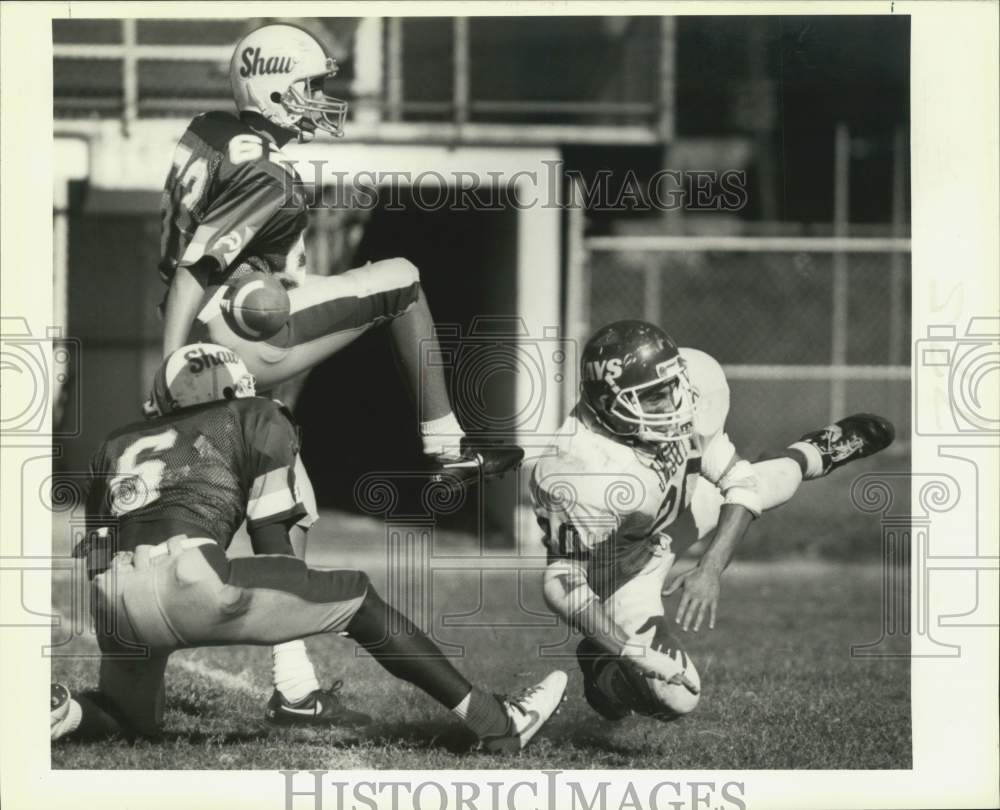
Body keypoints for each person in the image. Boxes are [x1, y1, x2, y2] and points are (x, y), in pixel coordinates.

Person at [157, 22, 521, 724]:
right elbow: (197, 267)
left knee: (284, 498)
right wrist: (173, 360)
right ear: (275, 85)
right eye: (312, 86)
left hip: (223, 323)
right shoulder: (268, 170)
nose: (322, 99)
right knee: (402, 280)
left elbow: (193, 250)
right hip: (240, 326)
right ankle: (448, 446)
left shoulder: (206, 130)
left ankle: (293, 689)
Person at [51, 344, 566, 750]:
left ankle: (60, 711)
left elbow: (96, 550)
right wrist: (293, 615)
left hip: (113, 595)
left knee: (130, 719)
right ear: (238, 388)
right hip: (192, 578)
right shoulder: (254, 415)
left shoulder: (114, 443)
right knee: (359, 599)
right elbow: (271, 535)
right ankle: (497, 723)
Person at [530, 320, 895, 720]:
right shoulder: (578, 470)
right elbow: (562, 584)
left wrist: (710, 569)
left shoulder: (693, 384)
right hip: (622, 570)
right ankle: (602, 666)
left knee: (770, 481)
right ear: (607, 405)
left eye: (673, 387)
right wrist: (629, 652)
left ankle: (819, 450)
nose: (673, 404)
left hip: (676, 509)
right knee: (675, 698)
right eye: (652, 398)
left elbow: (736, 479)